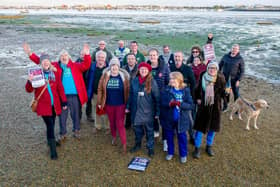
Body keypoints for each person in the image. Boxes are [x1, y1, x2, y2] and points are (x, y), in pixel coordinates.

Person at [23, 43, 91, 140]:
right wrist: (29, 53)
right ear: (59, 58)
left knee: (76, 115)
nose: (64, 57)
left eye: (66, 55)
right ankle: (62, 133)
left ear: (69, 57)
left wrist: (87, 54)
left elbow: (86, 65)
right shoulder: (55, 65)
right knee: (62, 116)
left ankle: (76, 130)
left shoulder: (76, 66)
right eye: (62, 56)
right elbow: (41, 61)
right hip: (62, 96)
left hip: (75, 95)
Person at [25, 53, 67, 160]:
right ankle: (53, 150)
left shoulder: (55, 74)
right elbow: (29, 90)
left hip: (55, 105)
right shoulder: (36, 74)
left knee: (52, 124)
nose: (46, 63)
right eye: (43, 61)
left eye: (47, 61)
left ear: (50, 62)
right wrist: (29, 81)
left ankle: (50, 141)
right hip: (44, 106)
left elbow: (60, 88)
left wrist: (64, 102)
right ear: (41, 63)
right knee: (50, 125)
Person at [192, 61, 226, 159]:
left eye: (214, 68)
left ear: (217, 69)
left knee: (212, 128)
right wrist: (197, 98)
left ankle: (208, 146)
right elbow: (197, 89)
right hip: (203, 106)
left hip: (215, 107)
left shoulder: (221, 78)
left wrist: (226, 98)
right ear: (207, 68)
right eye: (210, 68)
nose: (212, 70)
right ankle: (197, 148)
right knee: (199, 128)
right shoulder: (203, 76)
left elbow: (223, 93)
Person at [127, 62, 160, 157]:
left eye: (145, 69)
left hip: (148, 111)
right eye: (142, 69)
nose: (143, 71)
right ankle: (137, 145)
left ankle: (150, 148)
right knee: (137, 130)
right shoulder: (134, 80)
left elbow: (157, 97)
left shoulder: (152, 82)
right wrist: (128, 107)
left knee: (149, 131)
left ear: (149, 71)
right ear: (139, 70)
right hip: (136, 110)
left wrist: (157, 111)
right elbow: (130, 95)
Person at [97, 58, 130, 154]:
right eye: (112, 65)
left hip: (120, 104)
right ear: (110, 67)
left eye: (116, 65)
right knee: (112, 122)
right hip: (109, 104)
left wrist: (128, 104)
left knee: (120, 123)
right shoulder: (105, 76)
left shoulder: (124, 77)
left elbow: (128, 90)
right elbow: (100, 89)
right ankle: (114, 137)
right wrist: (99, 102)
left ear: (118, 67)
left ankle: (124, 143)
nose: (114, 67)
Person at [161, 72, 193, 163]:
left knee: (182, 137)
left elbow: (190, 105)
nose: (171, 81)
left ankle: (183, 154)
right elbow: (162, 103)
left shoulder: (185, 90)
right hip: (169, 118)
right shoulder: (166, 90)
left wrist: (180, 104)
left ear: (179, 80)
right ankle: (170, 152)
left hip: (181, 119)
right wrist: (169, 104)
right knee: (169, 137)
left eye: (173, 79)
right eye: (170, 79)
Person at [170, 51, 196, 144]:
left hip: (184, 96)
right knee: (173, 116)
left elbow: (193, 83)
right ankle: (174, 132)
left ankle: (192, 136)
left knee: (189, 118)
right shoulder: (171, 67)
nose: (177, 58)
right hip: (173, 95)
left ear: (182, 58)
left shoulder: (187, 69)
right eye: (175, 57)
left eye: (179, 57)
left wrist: (191, 97)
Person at [147, 48, 170, 151]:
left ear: (157, 56)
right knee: (153, 117)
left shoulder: (164, 66)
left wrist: (166, 94)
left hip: (162, 98)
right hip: (150, 98)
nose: (152, 57)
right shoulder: (146, 66)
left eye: (154, 55)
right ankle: (155, 132)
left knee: (164, 119)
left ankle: (165, 140)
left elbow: (168, 82)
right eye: (150, 55)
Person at [87, 50, 109, 133]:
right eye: (99, 57)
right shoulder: (92, 66)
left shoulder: (108, 68)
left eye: (102, 57)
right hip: (95, 92)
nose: (101, 59)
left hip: (106, 94)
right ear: (96, 58)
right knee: (96, 109)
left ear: (105, 58)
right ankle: (97, 126)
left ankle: (107, 126)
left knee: (107, 110)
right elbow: (88, 78)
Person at [219, 44, 245, 112]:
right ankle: (225, 106)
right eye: (233, 48)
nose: (234, 50)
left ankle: (237, 109)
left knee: (236, 94)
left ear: (238, 50)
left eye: (236, 49)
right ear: (231, 49)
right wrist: (218, 75)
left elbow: (242, 71)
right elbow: (220, 65)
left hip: (234, 79)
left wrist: (238, 80)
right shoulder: (225, 56)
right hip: (225, 79)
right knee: (226, 93)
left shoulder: (240, 59)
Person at [123, 53, 138, 129]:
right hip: (125, 91)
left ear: (135, 60)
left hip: (135, 91)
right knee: (126, 107)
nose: (130, 60)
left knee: (134, 107)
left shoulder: (139, 69)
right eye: (129, 59)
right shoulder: (123, 69)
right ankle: (127, 123)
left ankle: (135, 123)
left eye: (132, 59)